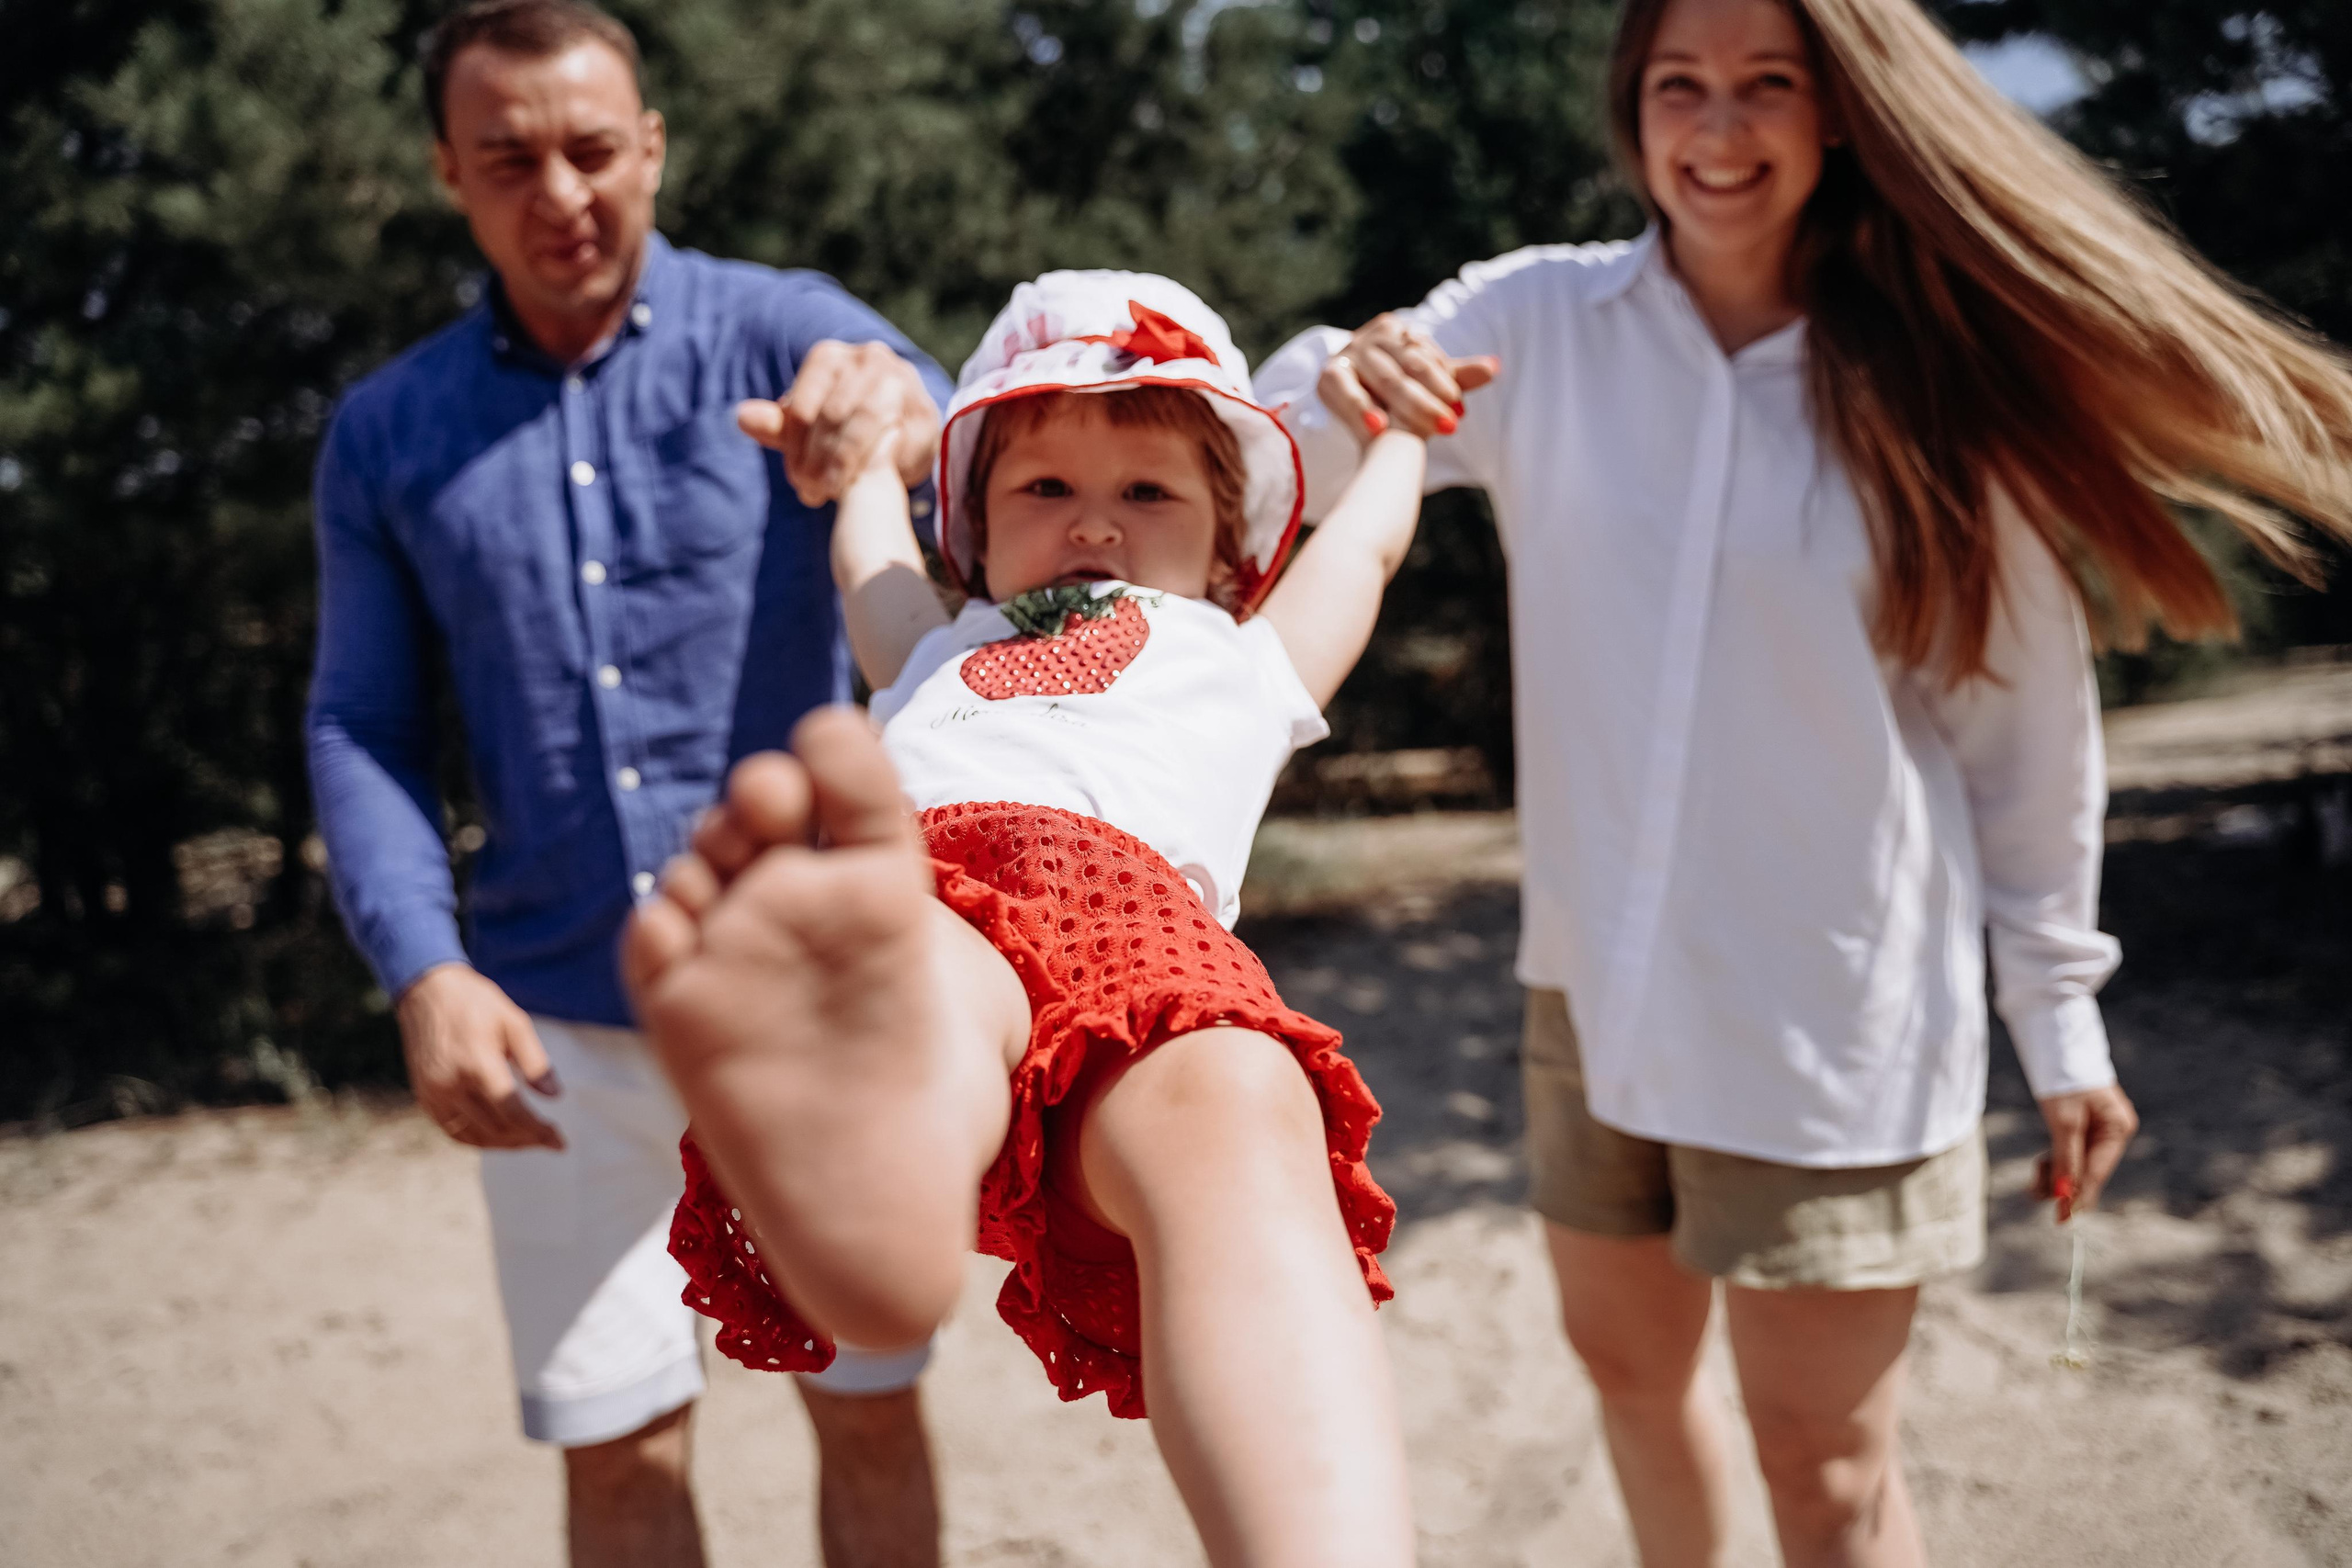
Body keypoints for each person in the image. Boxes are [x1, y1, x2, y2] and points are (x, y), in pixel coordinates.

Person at [1251, 0, 2352, 1562]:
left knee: (1824, 1471)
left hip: (1834, 1022)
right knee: (1633, 1384)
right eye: (1679, 86)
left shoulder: (1937, 392)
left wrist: (2061, 1019)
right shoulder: (1541, 322)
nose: (1718, 130)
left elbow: (2027, 733)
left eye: (1767, 86)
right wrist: (1346, 372)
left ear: (1840, 116)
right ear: (1633, 109)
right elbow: (1284, 442)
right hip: (1594, 999)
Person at [619, 273, 1429, 1568]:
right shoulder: (934, 649)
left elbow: (1365, 550)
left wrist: (1400, 445)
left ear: (1230, 547)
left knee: (1237, 1099)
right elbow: (869, 551)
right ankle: (886, 1182)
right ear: (977, 536)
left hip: (1137, 924)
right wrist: (871, 464)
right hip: (926, 879)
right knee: (925, 991)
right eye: (1043, 489)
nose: (1093, 525)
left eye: (1147, 493)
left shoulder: (1244, 656)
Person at [304, 3, 956, 1562]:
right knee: (617, 1451)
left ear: (652, 148)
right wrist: (423, 966)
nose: (562, 195)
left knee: (866, 1404)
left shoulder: (770, 329)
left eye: (594, 150)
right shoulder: (386, 434)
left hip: (807, 1003)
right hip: (557, 1028)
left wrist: (887, 419)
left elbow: (928, 410)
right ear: (448, 173)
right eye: (509, 159)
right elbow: (361, 725)